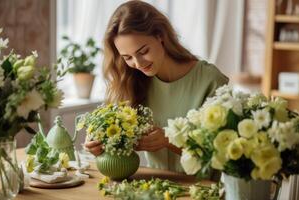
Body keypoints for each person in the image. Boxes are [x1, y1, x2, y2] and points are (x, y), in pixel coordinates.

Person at [85, 0, 228, 173]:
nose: (138, 63)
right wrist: (101, 143)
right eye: (127, 57)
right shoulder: (132, 81)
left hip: (204, 189)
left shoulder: (211, 80)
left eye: (143, 51)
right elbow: (121, 143)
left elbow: (222, 154)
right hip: (154, 188)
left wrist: (169, 140)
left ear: (160, 36)